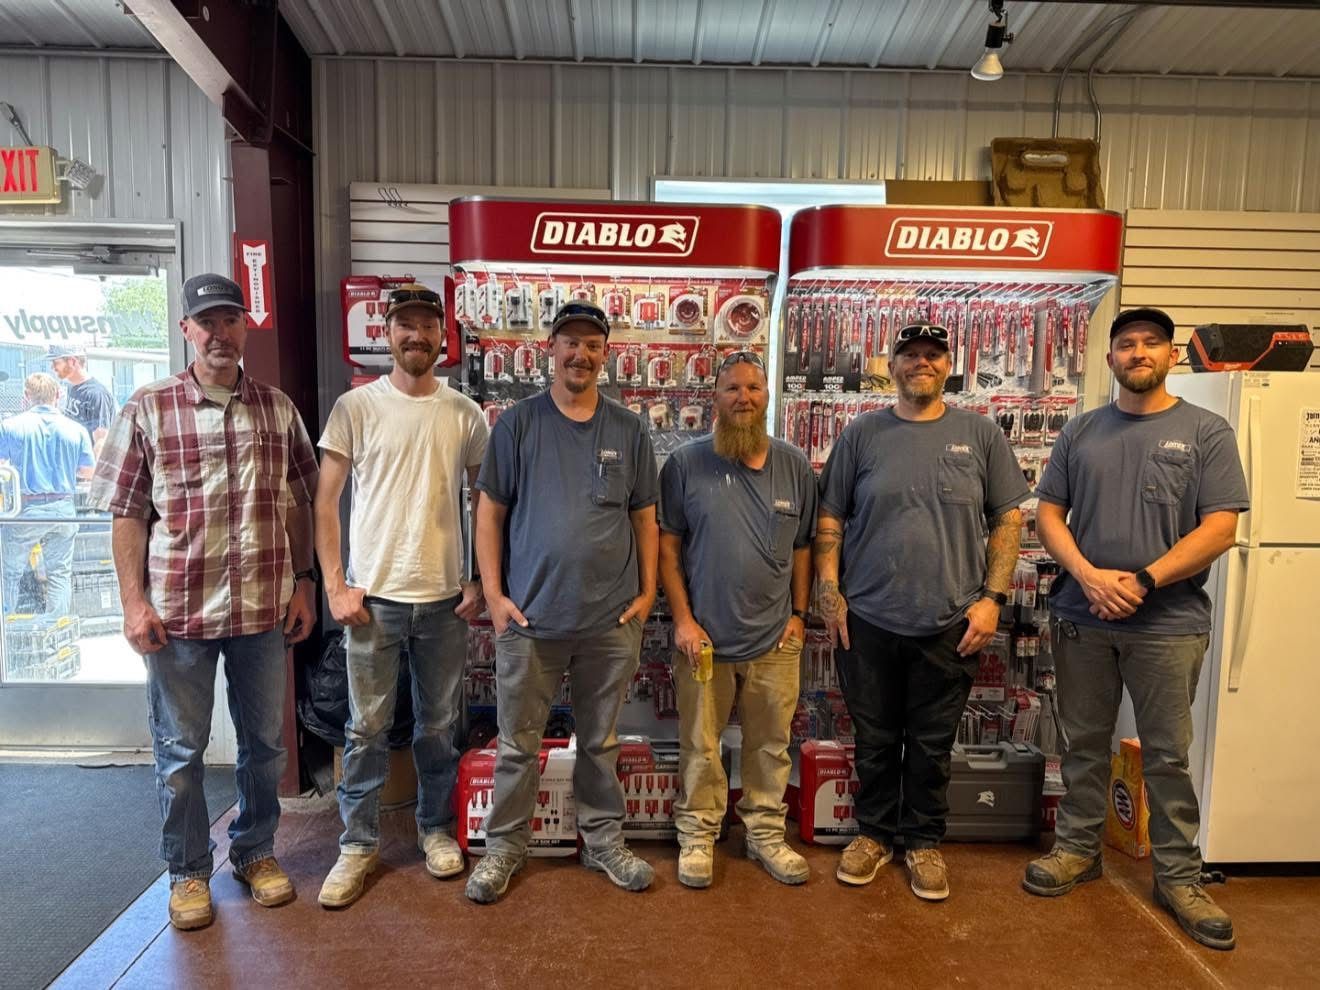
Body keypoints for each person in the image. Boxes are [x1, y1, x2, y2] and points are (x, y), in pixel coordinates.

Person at [90, 273, 319, 932]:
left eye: (230, 320)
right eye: (206, 322)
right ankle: (188, 870)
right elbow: (127, 513)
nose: (220, 333)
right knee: (180, 754)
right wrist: (133, 604)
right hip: (179, 619)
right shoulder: (148, 407)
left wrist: (304, 580)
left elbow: (302, 497)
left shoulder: (277, 409)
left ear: (246, 327)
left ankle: (255, 852)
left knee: (264, 749)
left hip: (259, 614)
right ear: (187, 329)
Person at [1021, 307, 1248, 952]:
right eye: (1126, 344)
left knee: (1169, 755)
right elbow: (1049, 514)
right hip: (1081, 615)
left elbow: (1220, 527)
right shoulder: (1082, 431)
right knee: (1084, 743)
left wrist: (1143, 581)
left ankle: (1179, 877)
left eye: (1151, 343)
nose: (1138, 352)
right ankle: (1077, 851)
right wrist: (1090, 576)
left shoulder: (1207, 431)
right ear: (1112, 358)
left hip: (1168, 624)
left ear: (1172, 356)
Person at [815, 323, 1028, 901]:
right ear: (892, 365)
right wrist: (830, 595)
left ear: (948, 365)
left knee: (932, 745)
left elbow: (1009, 518)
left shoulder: (980, 434)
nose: (921, 364)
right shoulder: (862, 435)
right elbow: (830, 518)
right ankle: (874, 835)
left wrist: (992, 599)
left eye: (932, 355)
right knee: (875, 738)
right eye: (910, 355)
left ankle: (924, 841)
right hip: (868, 620)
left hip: (950, 623)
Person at [466, 301, 659, 904]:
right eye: (570, 343)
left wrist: (649, 591)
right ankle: (504, 850)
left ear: (606, 354)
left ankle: (603, 844)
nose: (581, 354)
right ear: (550, 349)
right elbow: (489, 512)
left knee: (601, 742)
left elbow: (645, 516)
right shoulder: (518, 424)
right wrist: (494, 594)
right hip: (530, 620)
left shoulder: (629, 429)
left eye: (593, 344)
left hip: (609, 621)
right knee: (518, 744)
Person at [315, 283, 489, 909]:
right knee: (365, 729)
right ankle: (357, 845)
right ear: (386, 334)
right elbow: (325, 501)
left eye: (427, 326)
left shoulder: (465, 414)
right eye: (405, 326)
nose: (417, 336)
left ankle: (435, 830)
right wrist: (335, 584)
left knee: (439, 726)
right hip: (374, 600)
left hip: (445, 600)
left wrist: (477, 580)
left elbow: (485, 506)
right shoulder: (355, 408)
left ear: (445, 339)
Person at [658, 350, 817, 889]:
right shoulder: (685, 464)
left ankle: (765, 833)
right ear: (715, 398)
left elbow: (802, 548)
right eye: (732, 389)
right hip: (702, 642)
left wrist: (799, 615)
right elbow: (667, 548)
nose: (743, 398)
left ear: (767, 395)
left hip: (775, 640)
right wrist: (682, 620)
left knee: (770, 744)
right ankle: (699, 833)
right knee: (700, 745)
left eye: (753, 388)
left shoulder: (794, 465)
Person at [0, 373, 93, 616]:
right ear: (58, 395)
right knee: (59, 574)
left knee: (9, 573)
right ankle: (57, 634)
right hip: (64, 510)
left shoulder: (10, 427)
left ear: (26, 397)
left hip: (26, 511)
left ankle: (6, 629)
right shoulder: (77, 430)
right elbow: (87, 471)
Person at [48, 345, 117, 453]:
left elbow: (101, 443)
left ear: (72, 361)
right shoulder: (71, 387)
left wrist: (91, 470)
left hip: (86, 467)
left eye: (56, 362)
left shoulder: (96, 394)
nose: (52, 367)